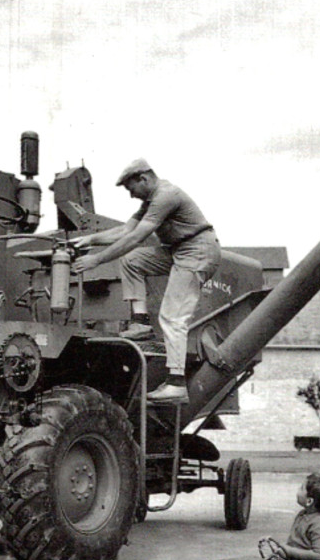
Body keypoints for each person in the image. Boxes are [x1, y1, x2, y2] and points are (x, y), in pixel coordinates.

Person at [72, 159, 221, 403]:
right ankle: (140, 323)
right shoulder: (149, 201)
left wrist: (96, 260)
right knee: (132, 261)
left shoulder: (166, 195)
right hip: (178, 250)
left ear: (144, 179)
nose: (131, 196)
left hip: (198, 251)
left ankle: (176, 383)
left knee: (172, 316)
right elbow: (124, 231)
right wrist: (90, 240)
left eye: (131, 189)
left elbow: (136, 237)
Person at [259, 473, 320, 560]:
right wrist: (281, 548)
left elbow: (319, 556)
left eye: (301, 488)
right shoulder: (303, 514)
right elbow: (298, 543)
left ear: (309, 501)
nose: (298, 490)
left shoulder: (319, 524)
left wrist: (289, 551)